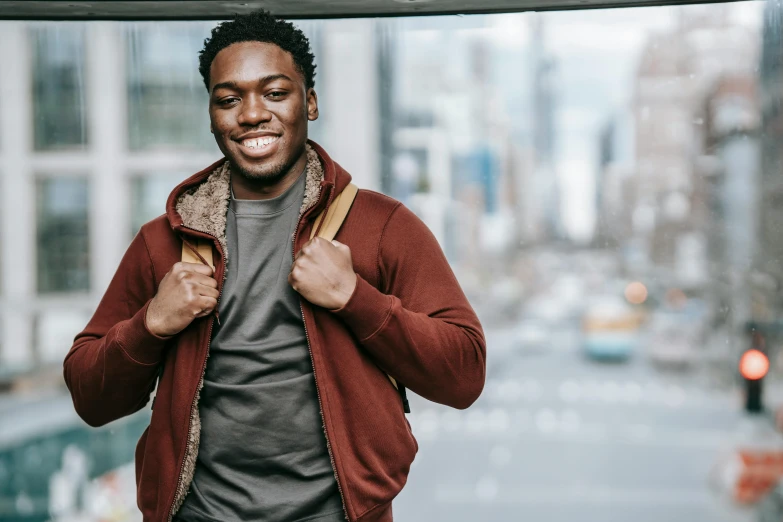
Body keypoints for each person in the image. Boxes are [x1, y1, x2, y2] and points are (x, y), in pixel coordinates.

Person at [63, 10, 485, 522]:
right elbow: (90, 397)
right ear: (212, 114)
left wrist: (358, 299)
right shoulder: (163, 241)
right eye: (229, 99)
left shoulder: (384, 225)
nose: (251, 114)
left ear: (309, 102)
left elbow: (464, 375)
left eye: (275, 92)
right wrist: (150, 324)